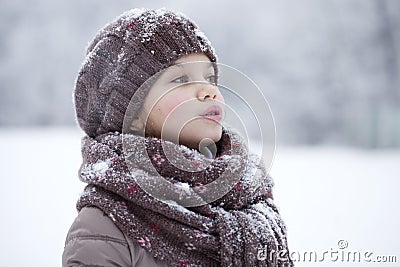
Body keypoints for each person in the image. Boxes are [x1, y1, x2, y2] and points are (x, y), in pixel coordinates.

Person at [62, 8, 293, 267]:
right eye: (181, 79)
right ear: (133, 113)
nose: (209, 90)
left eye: (210, 77)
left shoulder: (248, 197)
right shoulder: (105, 226)